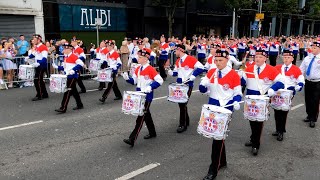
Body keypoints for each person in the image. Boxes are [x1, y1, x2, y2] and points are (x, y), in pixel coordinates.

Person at [199, 49, 242, 180]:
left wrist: (236, 101)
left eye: (220, 60)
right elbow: (203, 89)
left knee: (217, 139)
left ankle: (213, 170)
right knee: (218, 137)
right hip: (212, 108)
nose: (217, 63)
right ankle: (222, 162)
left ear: (227, 60)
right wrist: (202, 86)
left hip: (225, 109)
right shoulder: (212, 72)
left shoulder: (233, 74)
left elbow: (238, 93)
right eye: (216, 60)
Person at [241, 49, 284, 155]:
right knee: (251, 119)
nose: (257, 59)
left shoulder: (271, 69)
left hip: (262, 99)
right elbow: (243, 83)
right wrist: (240, 76)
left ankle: (256, 144)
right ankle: (253, 138)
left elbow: (281, 82)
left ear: (265, 59)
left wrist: (272, 89)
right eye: (256, 57)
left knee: (259, 122)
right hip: (250, 99)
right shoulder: (249, 69)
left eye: (260, 57)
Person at [122, 49, 163, 147]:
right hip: (139, 96)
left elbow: (160, 80)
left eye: (140, 57)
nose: (138, 58)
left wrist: (151, 86)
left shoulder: (150, 69)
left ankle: (132, 139)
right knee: (146, 115)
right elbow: (134, 81)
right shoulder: (138, 68)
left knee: (140, 118)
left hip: (146, 96)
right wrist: (128, 79)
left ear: (146, 58)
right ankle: (152, 133)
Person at [167, 44, 204, 133]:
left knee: (182, 103)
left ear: (180, 50)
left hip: (187, 85)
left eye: (176, 50)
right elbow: (176, 73)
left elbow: (201, 67)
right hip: (179, 85)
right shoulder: (178, 61)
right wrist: (171, 72)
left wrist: (193, 76)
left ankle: (182, 124)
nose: (175, 52)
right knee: (181, 104)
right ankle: (186, 121)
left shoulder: (191, 59)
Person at [273, 49, 304, 141]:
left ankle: (281, 131)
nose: (286, 59)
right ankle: (278, 129)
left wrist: (299, 85)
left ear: (292, 58)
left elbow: (301, 80)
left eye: (288, 57)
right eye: (285, 57)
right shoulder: (277, 68)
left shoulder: (296, 69)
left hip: (288, 94)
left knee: (283, 112)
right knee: (276, 111)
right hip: (277, 93)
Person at [54, 43, 84, 113]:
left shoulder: (73, 56)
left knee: (67, 91)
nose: (63, 50)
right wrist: (57, 67)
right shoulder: (66, 57)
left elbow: (81, 64)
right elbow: (65, 67)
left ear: (69, 49)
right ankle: (80, 104)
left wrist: (74, 70)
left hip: (72, 76)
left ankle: (63, 107)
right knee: (74, 91)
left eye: (65, 48)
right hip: (68, 75)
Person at [300, 40, 320, 128]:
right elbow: (301, 70)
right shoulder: (307, 58)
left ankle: (313, 119)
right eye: (312, 47)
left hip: (317, 83)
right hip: (307, 81)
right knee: (307, 100)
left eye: (315, 48)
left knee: (315, 101)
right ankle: (309, 115)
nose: (313, 49)